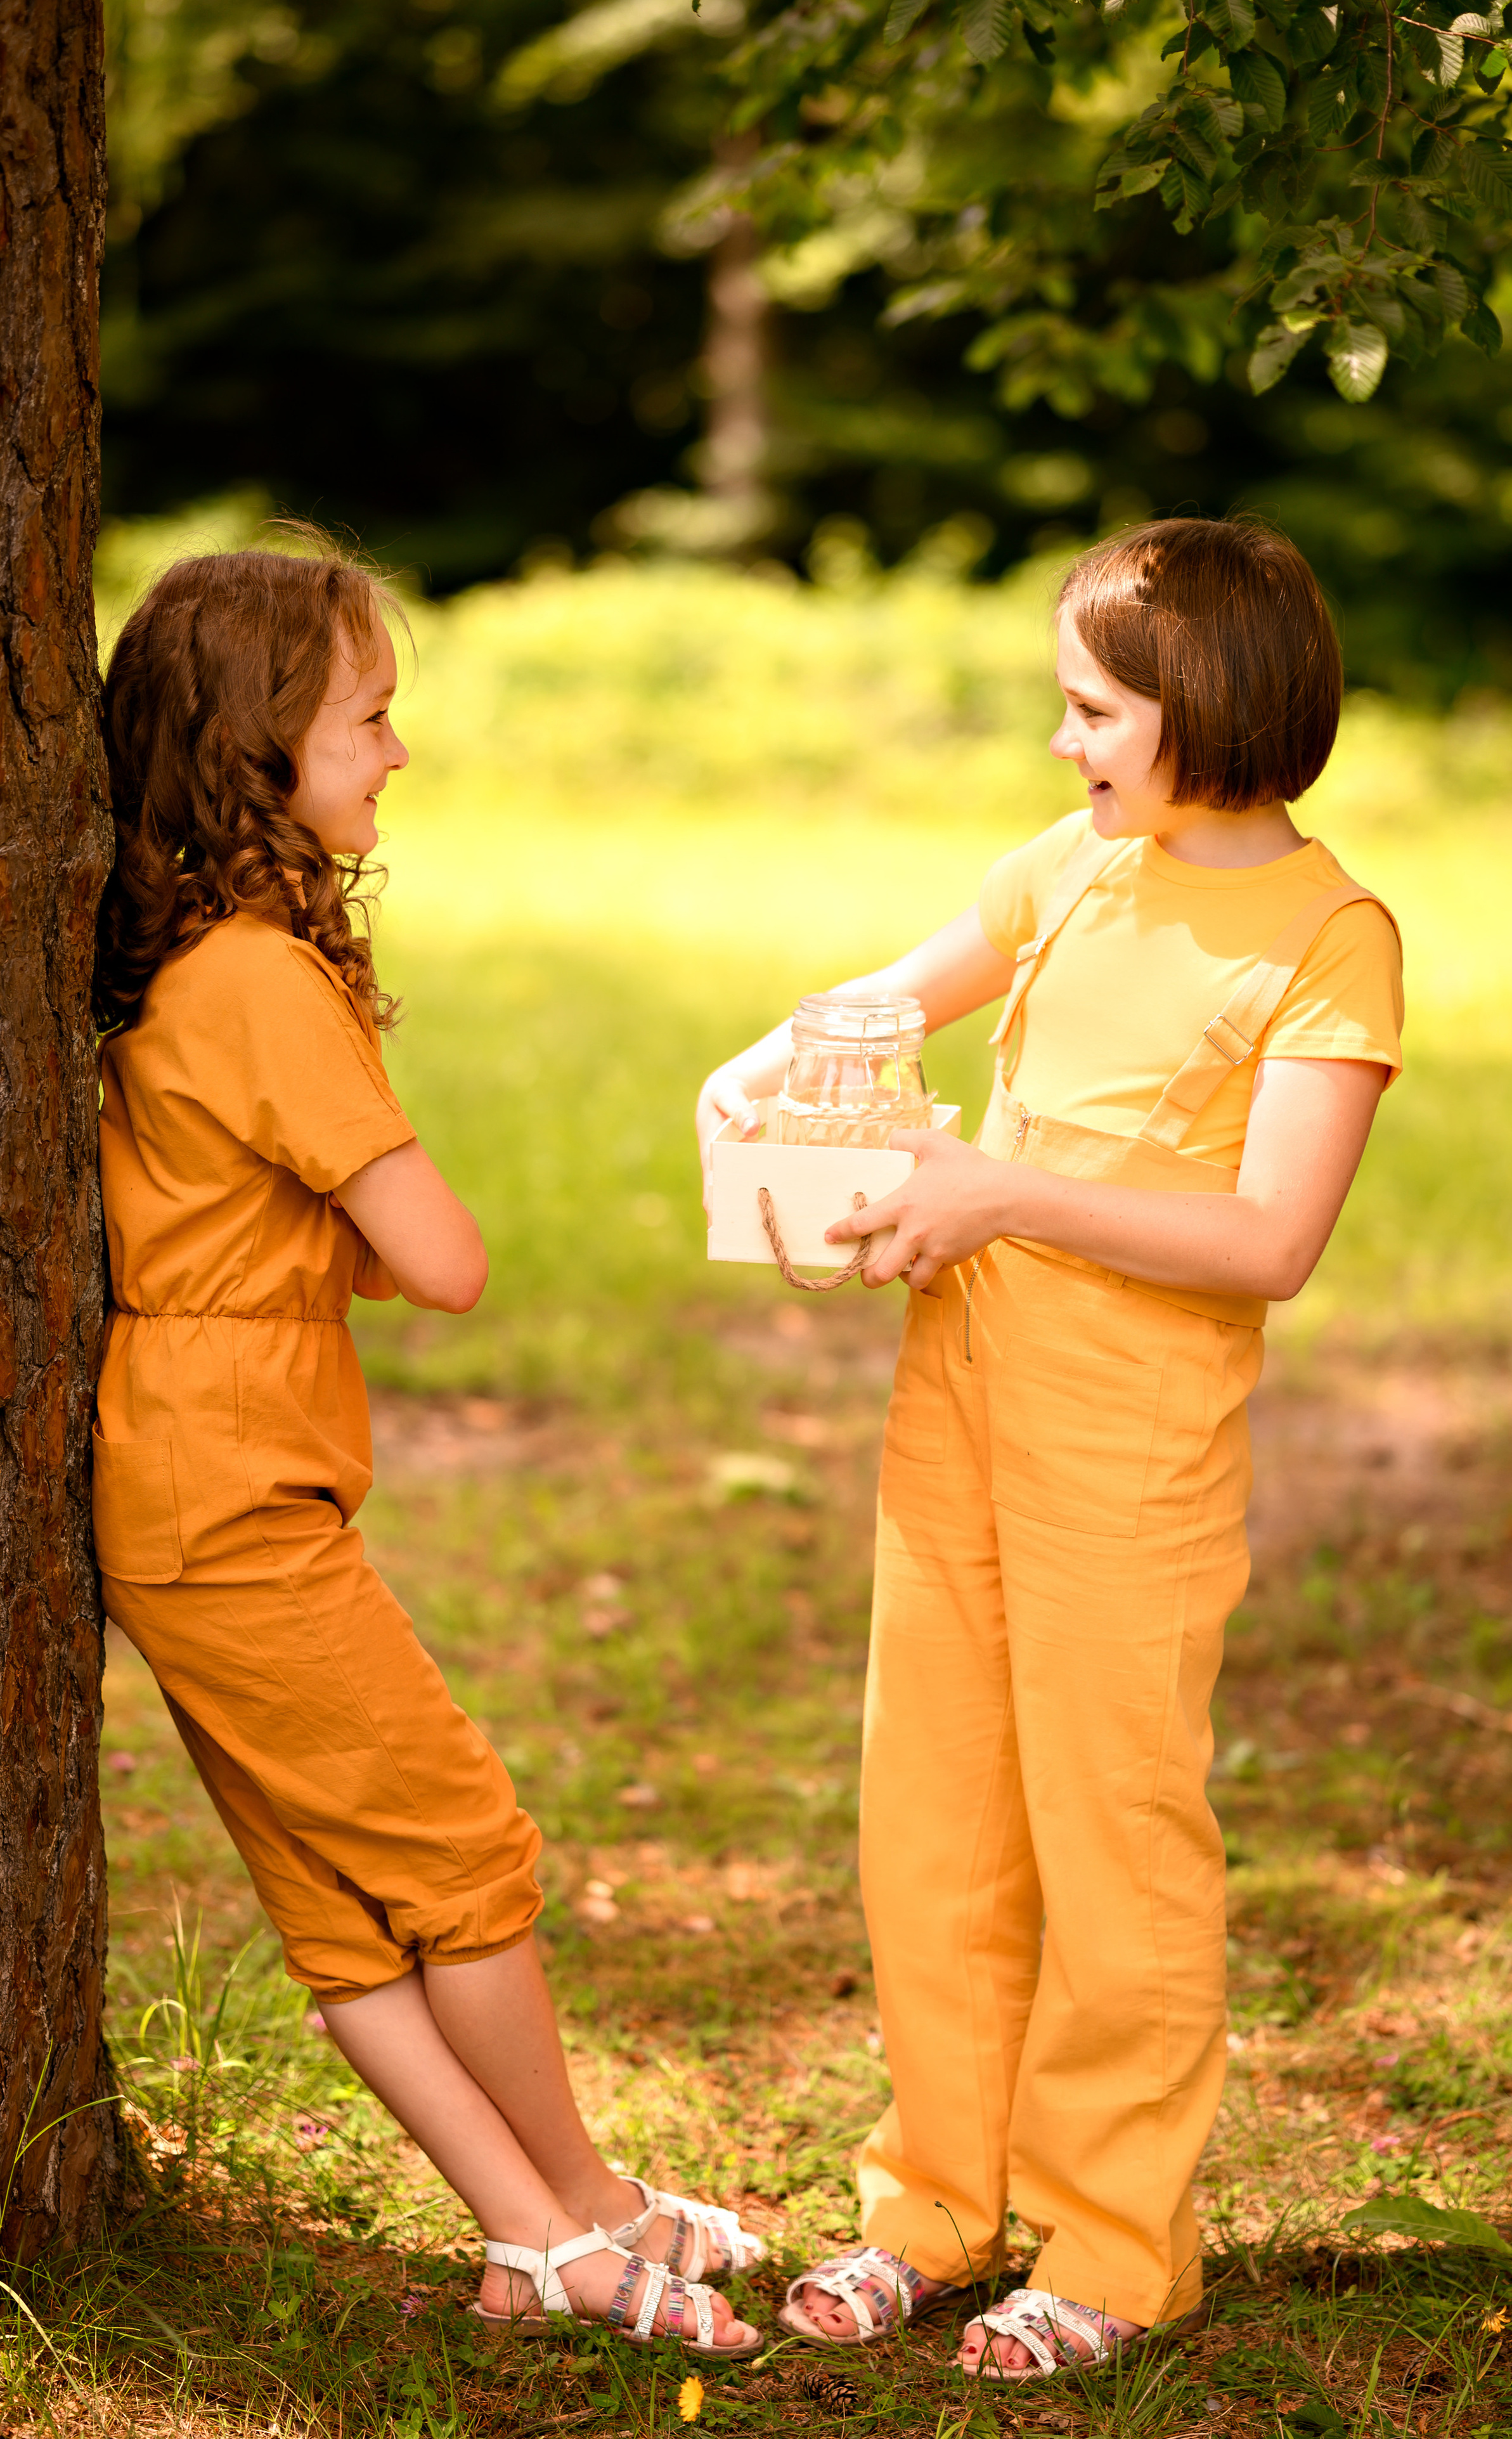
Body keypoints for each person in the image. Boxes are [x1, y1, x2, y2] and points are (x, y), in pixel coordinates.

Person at [695, 518, 1402, 2381]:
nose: (1066, 743)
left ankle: (1112, 2245)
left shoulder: (1332, 941)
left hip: (1136, 1460)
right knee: (931, 1821)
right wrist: (778, 1059)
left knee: (1114, 1845)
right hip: (958, 1414)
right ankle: (935, 2202)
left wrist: (1002, 1188)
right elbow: (885, 1002)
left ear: (1206, 706)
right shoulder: (1077, 866)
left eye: (1092, 710)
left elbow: (1272, 1243)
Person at [94, 536, 764, 2360]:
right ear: (260, 753)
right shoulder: (260, 978)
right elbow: (445, 1262)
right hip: (232, 1488)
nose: (399, 753)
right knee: (461, 1852)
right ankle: (582, 2214)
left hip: (181, 1463)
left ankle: (542, 2233)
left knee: (340, 1904)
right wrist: (352, 1243)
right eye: (372, 719)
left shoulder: (185, 966)